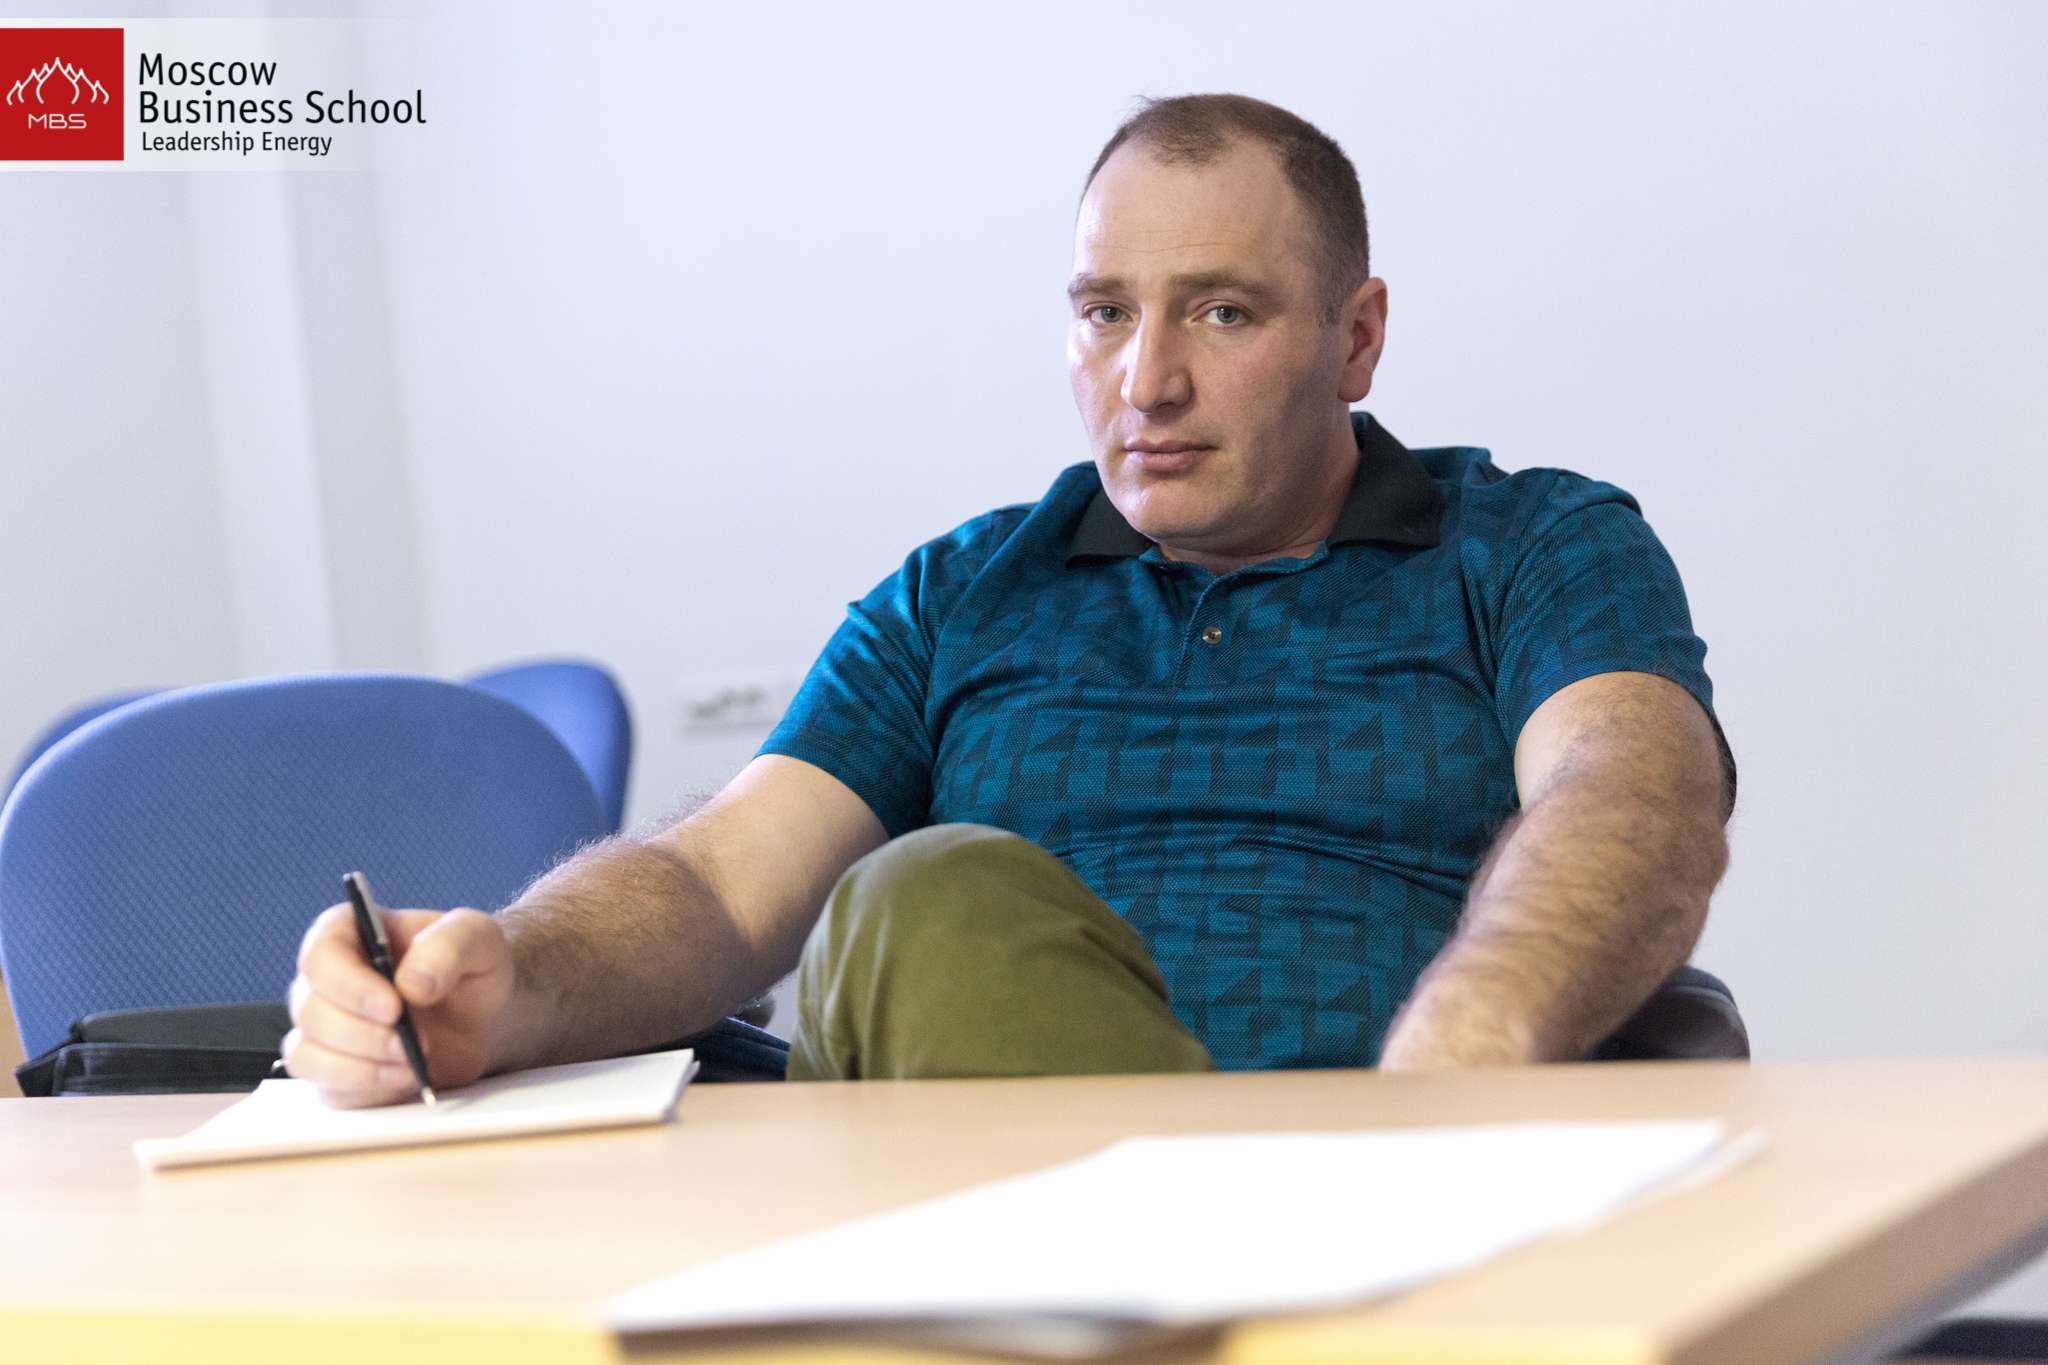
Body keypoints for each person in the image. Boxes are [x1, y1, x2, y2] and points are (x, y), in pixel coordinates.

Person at [285, 93, 1734, 1106]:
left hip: (1397, 1191)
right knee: (928, 903)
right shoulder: (962, 592)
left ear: (1355, 340)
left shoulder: (1533, 543)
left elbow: (1631, 793)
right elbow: (720, 881)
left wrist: (1475, 1033)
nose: (1147, 382)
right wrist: (510, 976)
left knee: (925, 899)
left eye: (1222, 311)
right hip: (966, 1237)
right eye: (1105, 313)